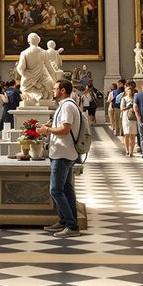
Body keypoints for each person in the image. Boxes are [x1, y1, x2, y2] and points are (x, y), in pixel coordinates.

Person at [39, 80, 83, 238]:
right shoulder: (66, 105)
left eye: (55, 88)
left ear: (63, 90)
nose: (53, 90)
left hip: (63, 153)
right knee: (66, 189)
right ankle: (65, 221)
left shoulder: (67, 106)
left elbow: (65, 130)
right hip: (63, 152)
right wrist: (50, 126)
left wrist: (47, 130)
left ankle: (71, 225)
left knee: (56, 190)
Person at [119, 84, 137, 156]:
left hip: (133, 118)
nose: (130, 91)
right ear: (126, 91)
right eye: (128, 90)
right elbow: (122, 108)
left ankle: (131, 151)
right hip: (126, 117)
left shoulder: (135, 98)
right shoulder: (124, 99)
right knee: (126, 134)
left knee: (133, 135)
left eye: (131, 90)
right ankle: (127, 150)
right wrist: (128, 107)